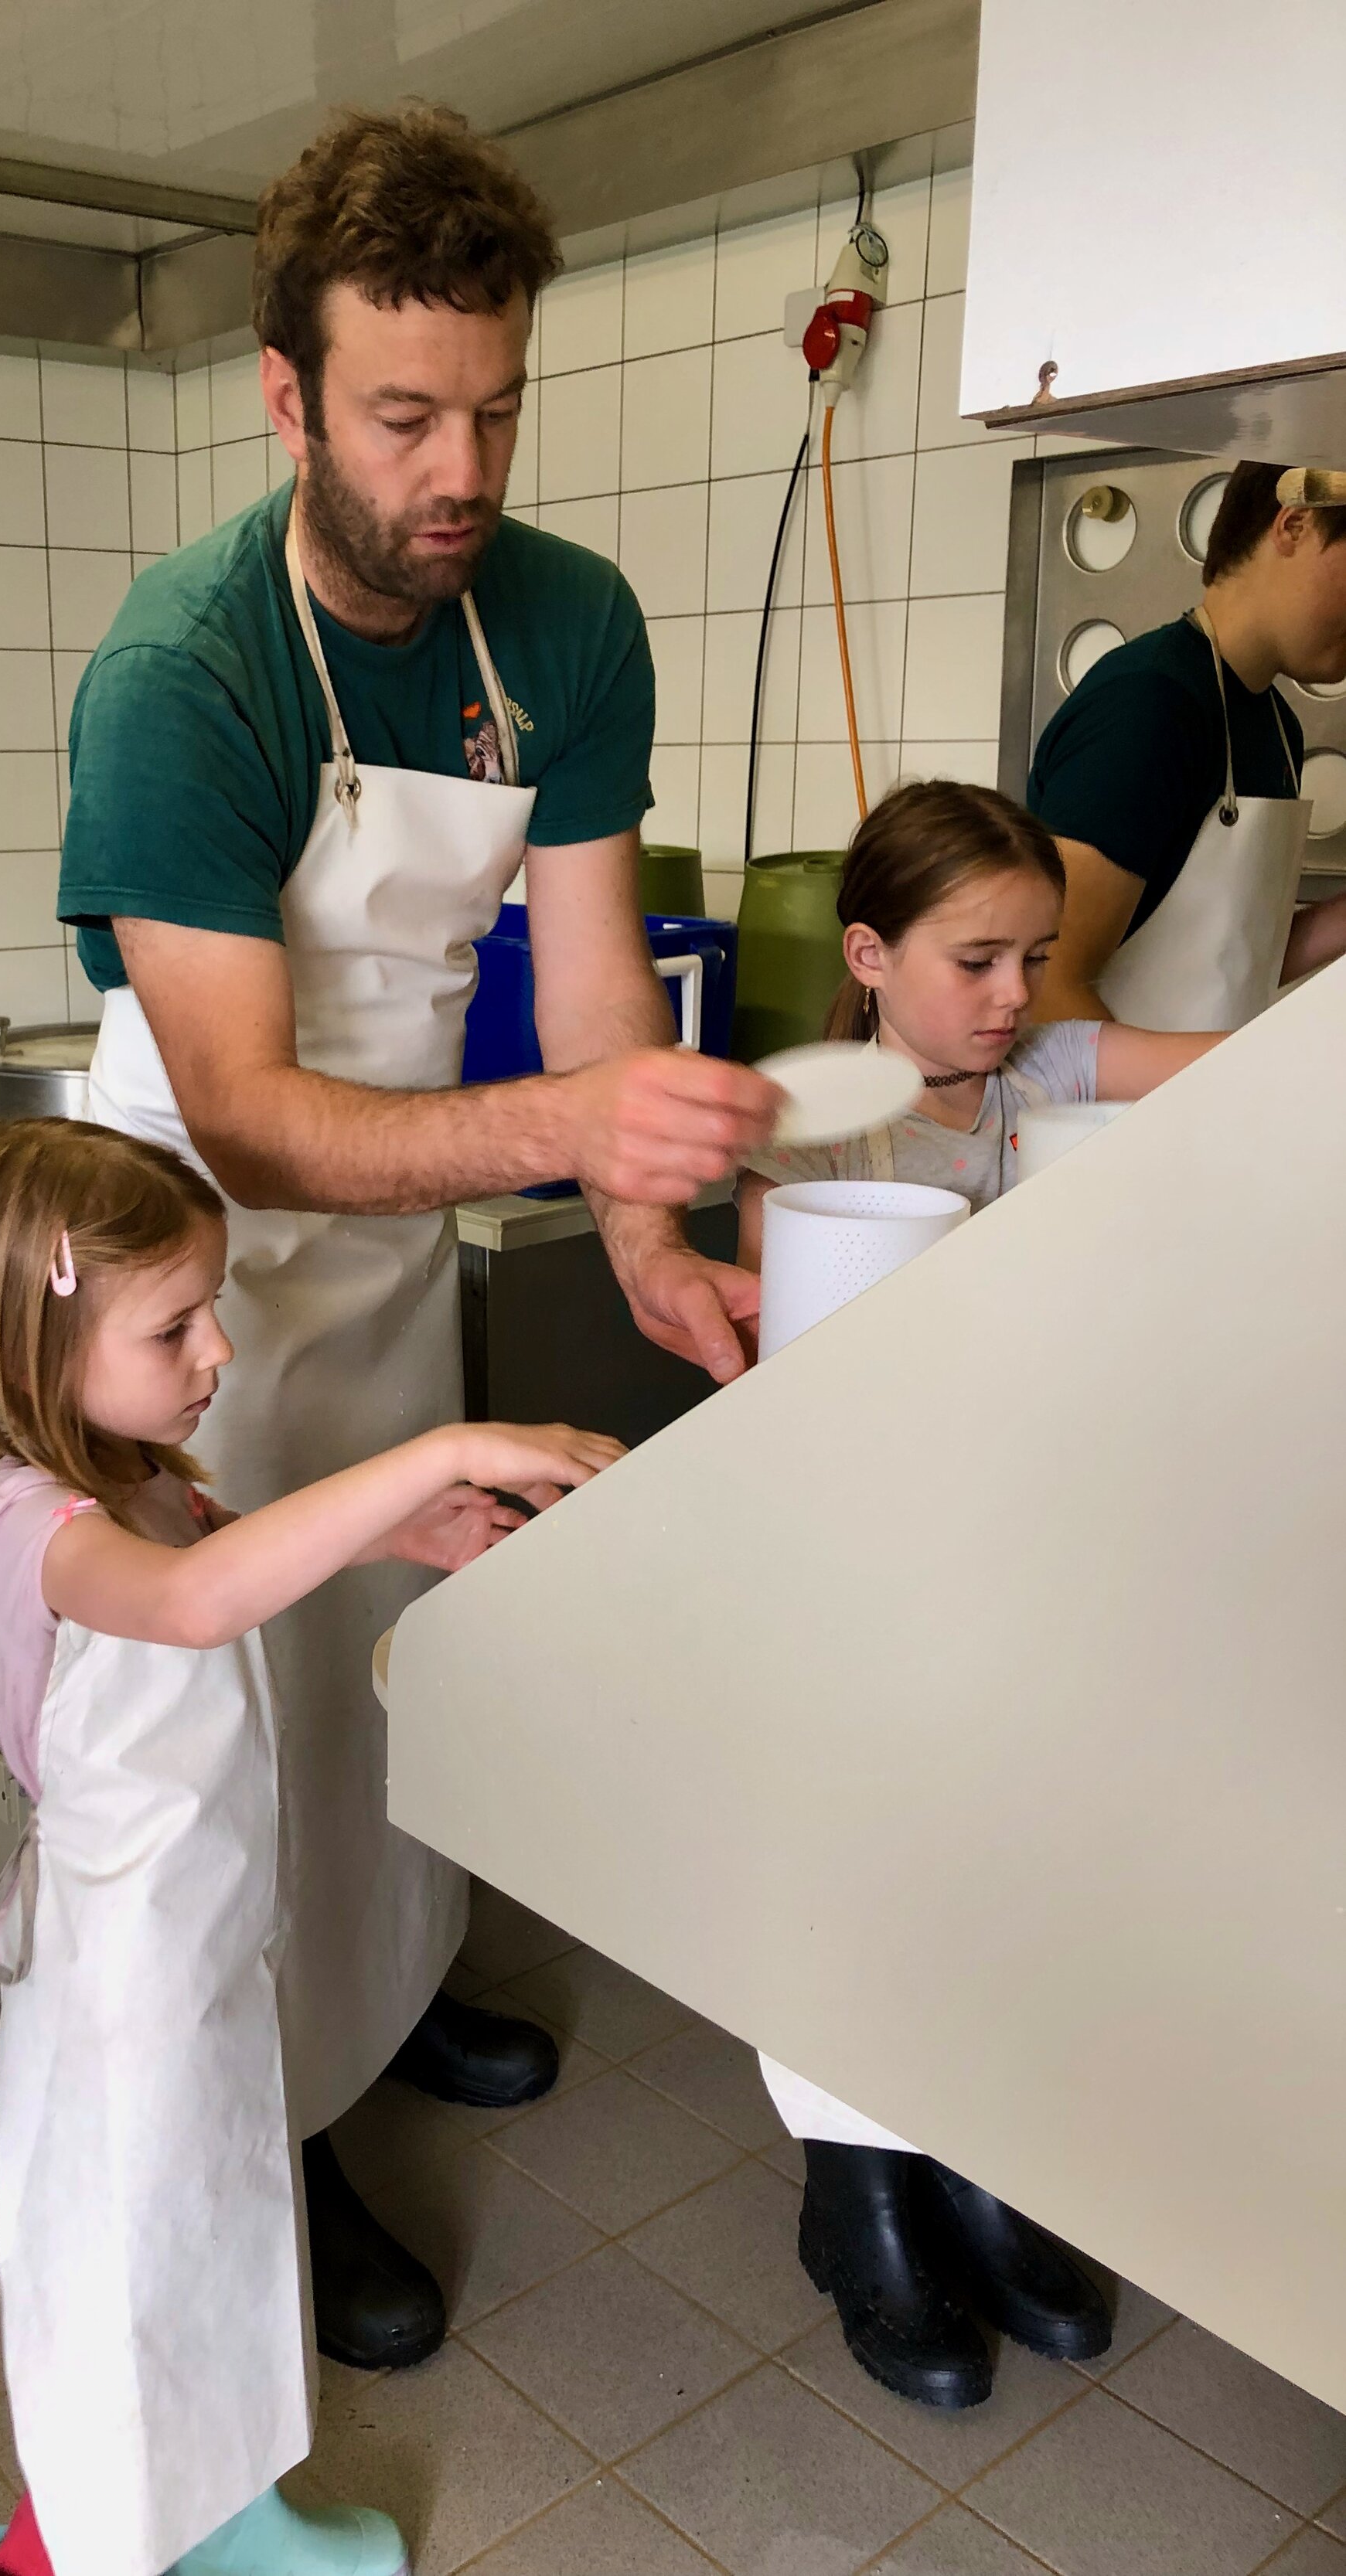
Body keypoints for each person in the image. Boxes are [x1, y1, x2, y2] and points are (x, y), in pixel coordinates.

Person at [58, 104, 779, 2367]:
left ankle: (378, 2011)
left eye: (491, 408)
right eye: (398, 416)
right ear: (284, 398)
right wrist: (565, 1124)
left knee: (388, 1682)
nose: (454, 466)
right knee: (229, 1740)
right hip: (181, 1285)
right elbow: (254, 1125)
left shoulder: (561, 623)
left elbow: (584, 982)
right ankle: (269, 2140)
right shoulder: (185, 672)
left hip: (387, 1258)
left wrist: (648, 1241)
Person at [0, 1117, 622, 2576]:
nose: (219, 1351)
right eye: (175, 1322)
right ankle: (64, 2554)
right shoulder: (27, 1524)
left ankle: (225, 2510)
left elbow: (231, 1546)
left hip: (205, 1935)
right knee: (125, 2273)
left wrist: (401, 1534)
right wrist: (444, 1441)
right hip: (122, 1978)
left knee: (216, 2231)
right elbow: (193, 1603)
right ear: (36, 1346)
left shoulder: (142, 1483)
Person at [737, 779, 1221, 2409]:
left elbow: (1255, 1082)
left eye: (1034, 955)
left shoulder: (1047, 1073)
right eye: (975, 960)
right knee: (855, 1868)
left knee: (999, 1862)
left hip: (1013, 1545)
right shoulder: (808, 1114)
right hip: (844, 1560)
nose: (1016, 995)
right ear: (867, 954)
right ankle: (853, 2192)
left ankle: (970, 2157)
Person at [1027, 461, 1346, 1031]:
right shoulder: (1149, 704)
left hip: (1190, 1102)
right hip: (1104, 1115)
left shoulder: (1277, 725)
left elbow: (1235, 959)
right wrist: (1169, 1115)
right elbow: (1049, 982)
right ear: (1295, 525)